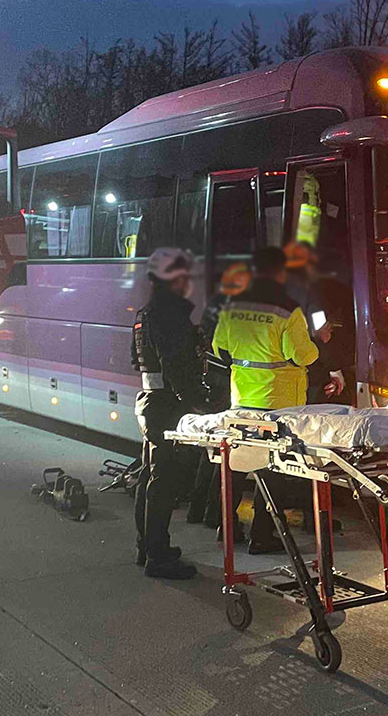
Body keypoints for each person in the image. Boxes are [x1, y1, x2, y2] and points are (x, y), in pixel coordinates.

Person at [212, 246, 322, 554]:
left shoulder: (233, 305)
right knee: (272, 469)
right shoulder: (288, 309)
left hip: (241, 399)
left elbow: (219, 348)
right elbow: (301, 355)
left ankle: (227, 527)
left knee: (236, 465)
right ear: (280, 272)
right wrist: (318, 344)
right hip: (277, 401)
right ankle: (262, 534)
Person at [131, 247, 208, 580]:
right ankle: (158, 557)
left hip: (150, 400)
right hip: (166, 406)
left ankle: (147, 546)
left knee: (149, 476)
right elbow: (175, 365)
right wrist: (196, 404)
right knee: (164, 482)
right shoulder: (171, 313)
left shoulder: (146, 313)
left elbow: (137, 360)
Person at [186, 262, 251, 529]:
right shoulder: (237, 309)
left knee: (211, 448)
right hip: (228, 383)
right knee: (228, 451)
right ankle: (217, 513)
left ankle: (197, 508)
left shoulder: (215, 304)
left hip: (213, 381)